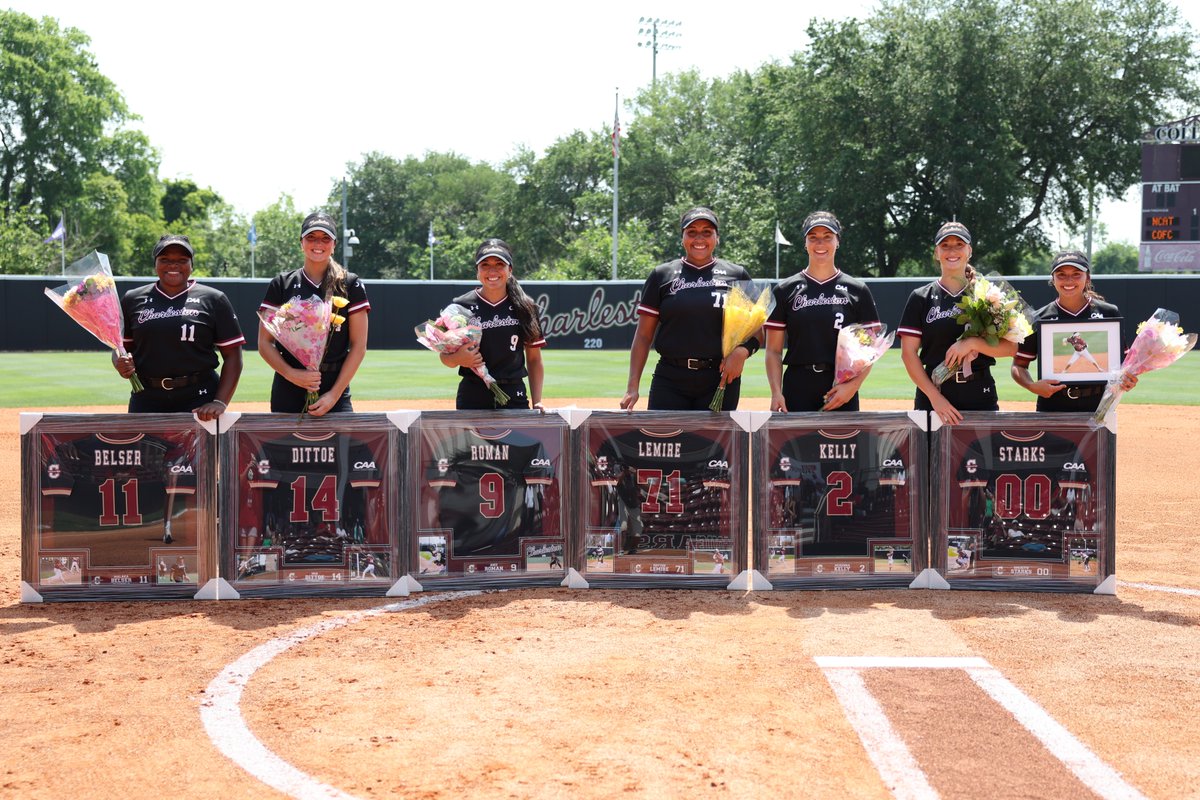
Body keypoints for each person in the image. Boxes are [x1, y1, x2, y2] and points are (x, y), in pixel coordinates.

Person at [620, 207, 760, 411]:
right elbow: (643, 336)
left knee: (717, 443)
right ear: (682, 237)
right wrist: (632, 387)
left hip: (719, 378)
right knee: (666, 440)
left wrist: (742, 352)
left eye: (707, 232)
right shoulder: (662, 275)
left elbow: (759, 330)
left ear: (717, 237)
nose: (699, 238)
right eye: (691, 232)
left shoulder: (736, 274)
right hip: (670, 378)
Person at [113, 234, 244, 420]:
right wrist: (119, 362)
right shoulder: (133, 299)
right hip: (146, 397)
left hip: (200, 397)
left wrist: (219, 402)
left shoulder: (214, 299)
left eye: (182, 260)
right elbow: (121, 348)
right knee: (148, 449)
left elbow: (233, 355)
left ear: (192, 265)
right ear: (155, 264)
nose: (173, 265)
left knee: (204, 451)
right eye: (164, 259)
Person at [898, 221, 1017, 425]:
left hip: (979, 392)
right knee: (928, 456)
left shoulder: (990, 294)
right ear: (936, 252)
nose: (952, 250)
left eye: (959, 244)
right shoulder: (921, 297)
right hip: (934, 392)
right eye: (945, 245)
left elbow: (1012, 348)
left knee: (980, 456)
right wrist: (935, 398)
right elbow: (908, 354)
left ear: (969, 250)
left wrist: (972, 344)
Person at [765, 211, 880, 412]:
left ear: (838, 242)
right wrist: (776, 392)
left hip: (841, 386)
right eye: (813, 238)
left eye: (827, 237)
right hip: (798, 384)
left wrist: (852, 387)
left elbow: (869, 351)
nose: (820, 244)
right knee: (798, 444)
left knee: (841, 443)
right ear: (805, 243)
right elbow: (773, 351)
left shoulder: (857, 290)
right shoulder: (785, 290)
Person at [258, 212, 370, 415]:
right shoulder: (282, 284)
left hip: (335, 386)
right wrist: (291, 374)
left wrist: (334, 395)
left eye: (325, 238)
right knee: (285, 446)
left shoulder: (349, 284)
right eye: (311, 237)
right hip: (288, 386)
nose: (318, 243)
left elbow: (358, 346)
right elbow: (264, 343)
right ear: (301, 242)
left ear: (334, 244)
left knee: (341, 447)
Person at [1011, 251, 1136, 412]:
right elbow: (1019, 365)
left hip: (1100, 404)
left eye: (1076, 274)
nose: (1068, 280)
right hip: (1053, 404)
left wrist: (1128, 378)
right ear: (1053, 279)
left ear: (1087, 278)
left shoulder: (1108, 312)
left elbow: (1125, 363)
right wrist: (1032, 386)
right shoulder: (1038, 318)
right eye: (1061, 274)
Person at [439, 239, 545, 409]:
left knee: (515, 437)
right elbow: (445, 358)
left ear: (509, 270)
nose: (492, 270)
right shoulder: (459, 307)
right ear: (477, 271)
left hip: (513, 393)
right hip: (473, 394)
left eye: (499, 264)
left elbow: (534, 359)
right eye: (485, 265)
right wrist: (459, 359)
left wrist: (537, 400)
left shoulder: (526, 307)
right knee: (472, 438)